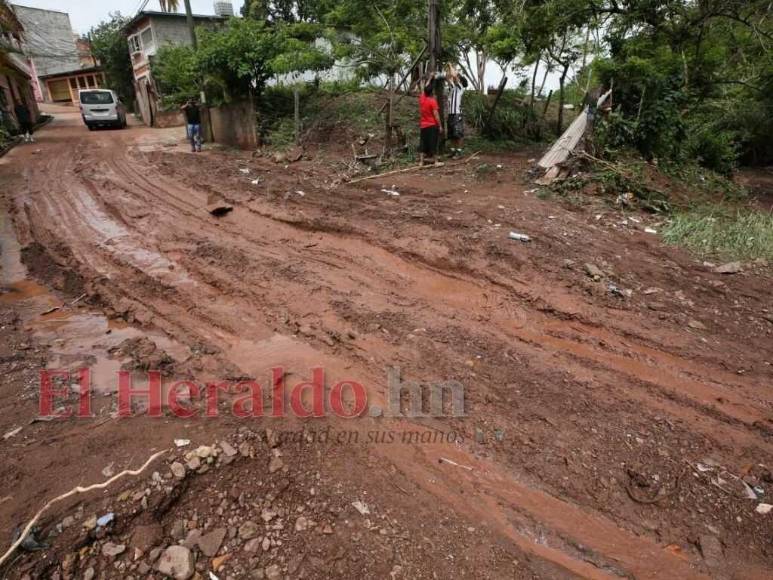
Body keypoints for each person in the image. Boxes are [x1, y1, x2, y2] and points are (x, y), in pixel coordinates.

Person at [418, 75, 443, 166]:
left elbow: (425, 88)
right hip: (432, 125)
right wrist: (440, 126)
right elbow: (436, 115)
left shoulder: (422, 99)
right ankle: (436, 162)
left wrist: (429, 78)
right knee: (434, 143)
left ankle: (421, 162)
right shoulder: (432, 101)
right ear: (432, 92)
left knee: (423, 143)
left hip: (423, 126)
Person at [446, 74, 467, 157]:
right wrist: (448, 70)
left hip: (457, 114)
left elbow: (454, 75)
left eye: (458, 78)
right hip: (450, 114)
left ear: (460, 81)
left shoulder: (460, 87)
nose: (455, 78)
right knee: (451, 134)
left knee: (458, 133)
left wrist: (451, 65)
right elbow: (448, 78)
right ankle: (453, 151)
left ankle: (459, 151)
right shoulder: (452, 87)